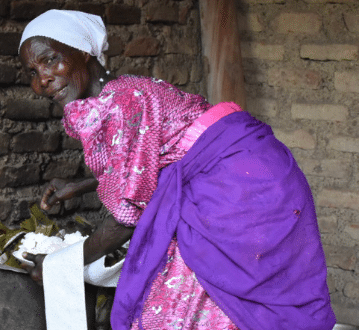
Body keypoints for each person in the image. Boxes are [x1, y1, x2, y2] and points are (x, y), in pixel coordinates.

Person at [18, 9, 336, 330]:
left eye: (50, 60)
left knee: (181, 303)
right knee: (235, 301)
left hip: (237, 193)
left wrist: (61, 264)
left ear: (83, 52)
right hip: (256, 173)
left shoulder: (118, 105)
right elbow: (149, 160)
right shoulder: (124, 87)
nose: (42, 79)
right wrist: (82, 185)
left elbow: (126, 220)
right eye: (32, 71)